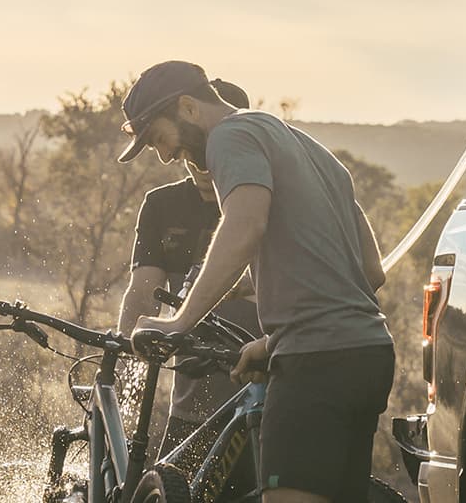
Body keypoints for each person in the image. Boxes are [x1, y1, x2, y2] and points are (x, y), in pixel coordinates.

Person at [122, 60, 393, 503]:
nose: (166, 155)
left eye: (158, 139)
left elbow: (245, 226)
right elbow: (370, 271)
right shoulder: (308, 147)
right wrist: (270, 343)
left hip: (315, 365)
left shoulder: (229, 136)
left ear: (187, 107)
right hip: (367, 355)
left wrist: (179, 323)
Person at [117, 78, 264, 460]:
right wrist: (125, 345)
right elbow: (142, 290)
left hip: (261, 387)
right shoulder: (162, 204)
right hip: (192, 401)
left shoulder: (258, 199)